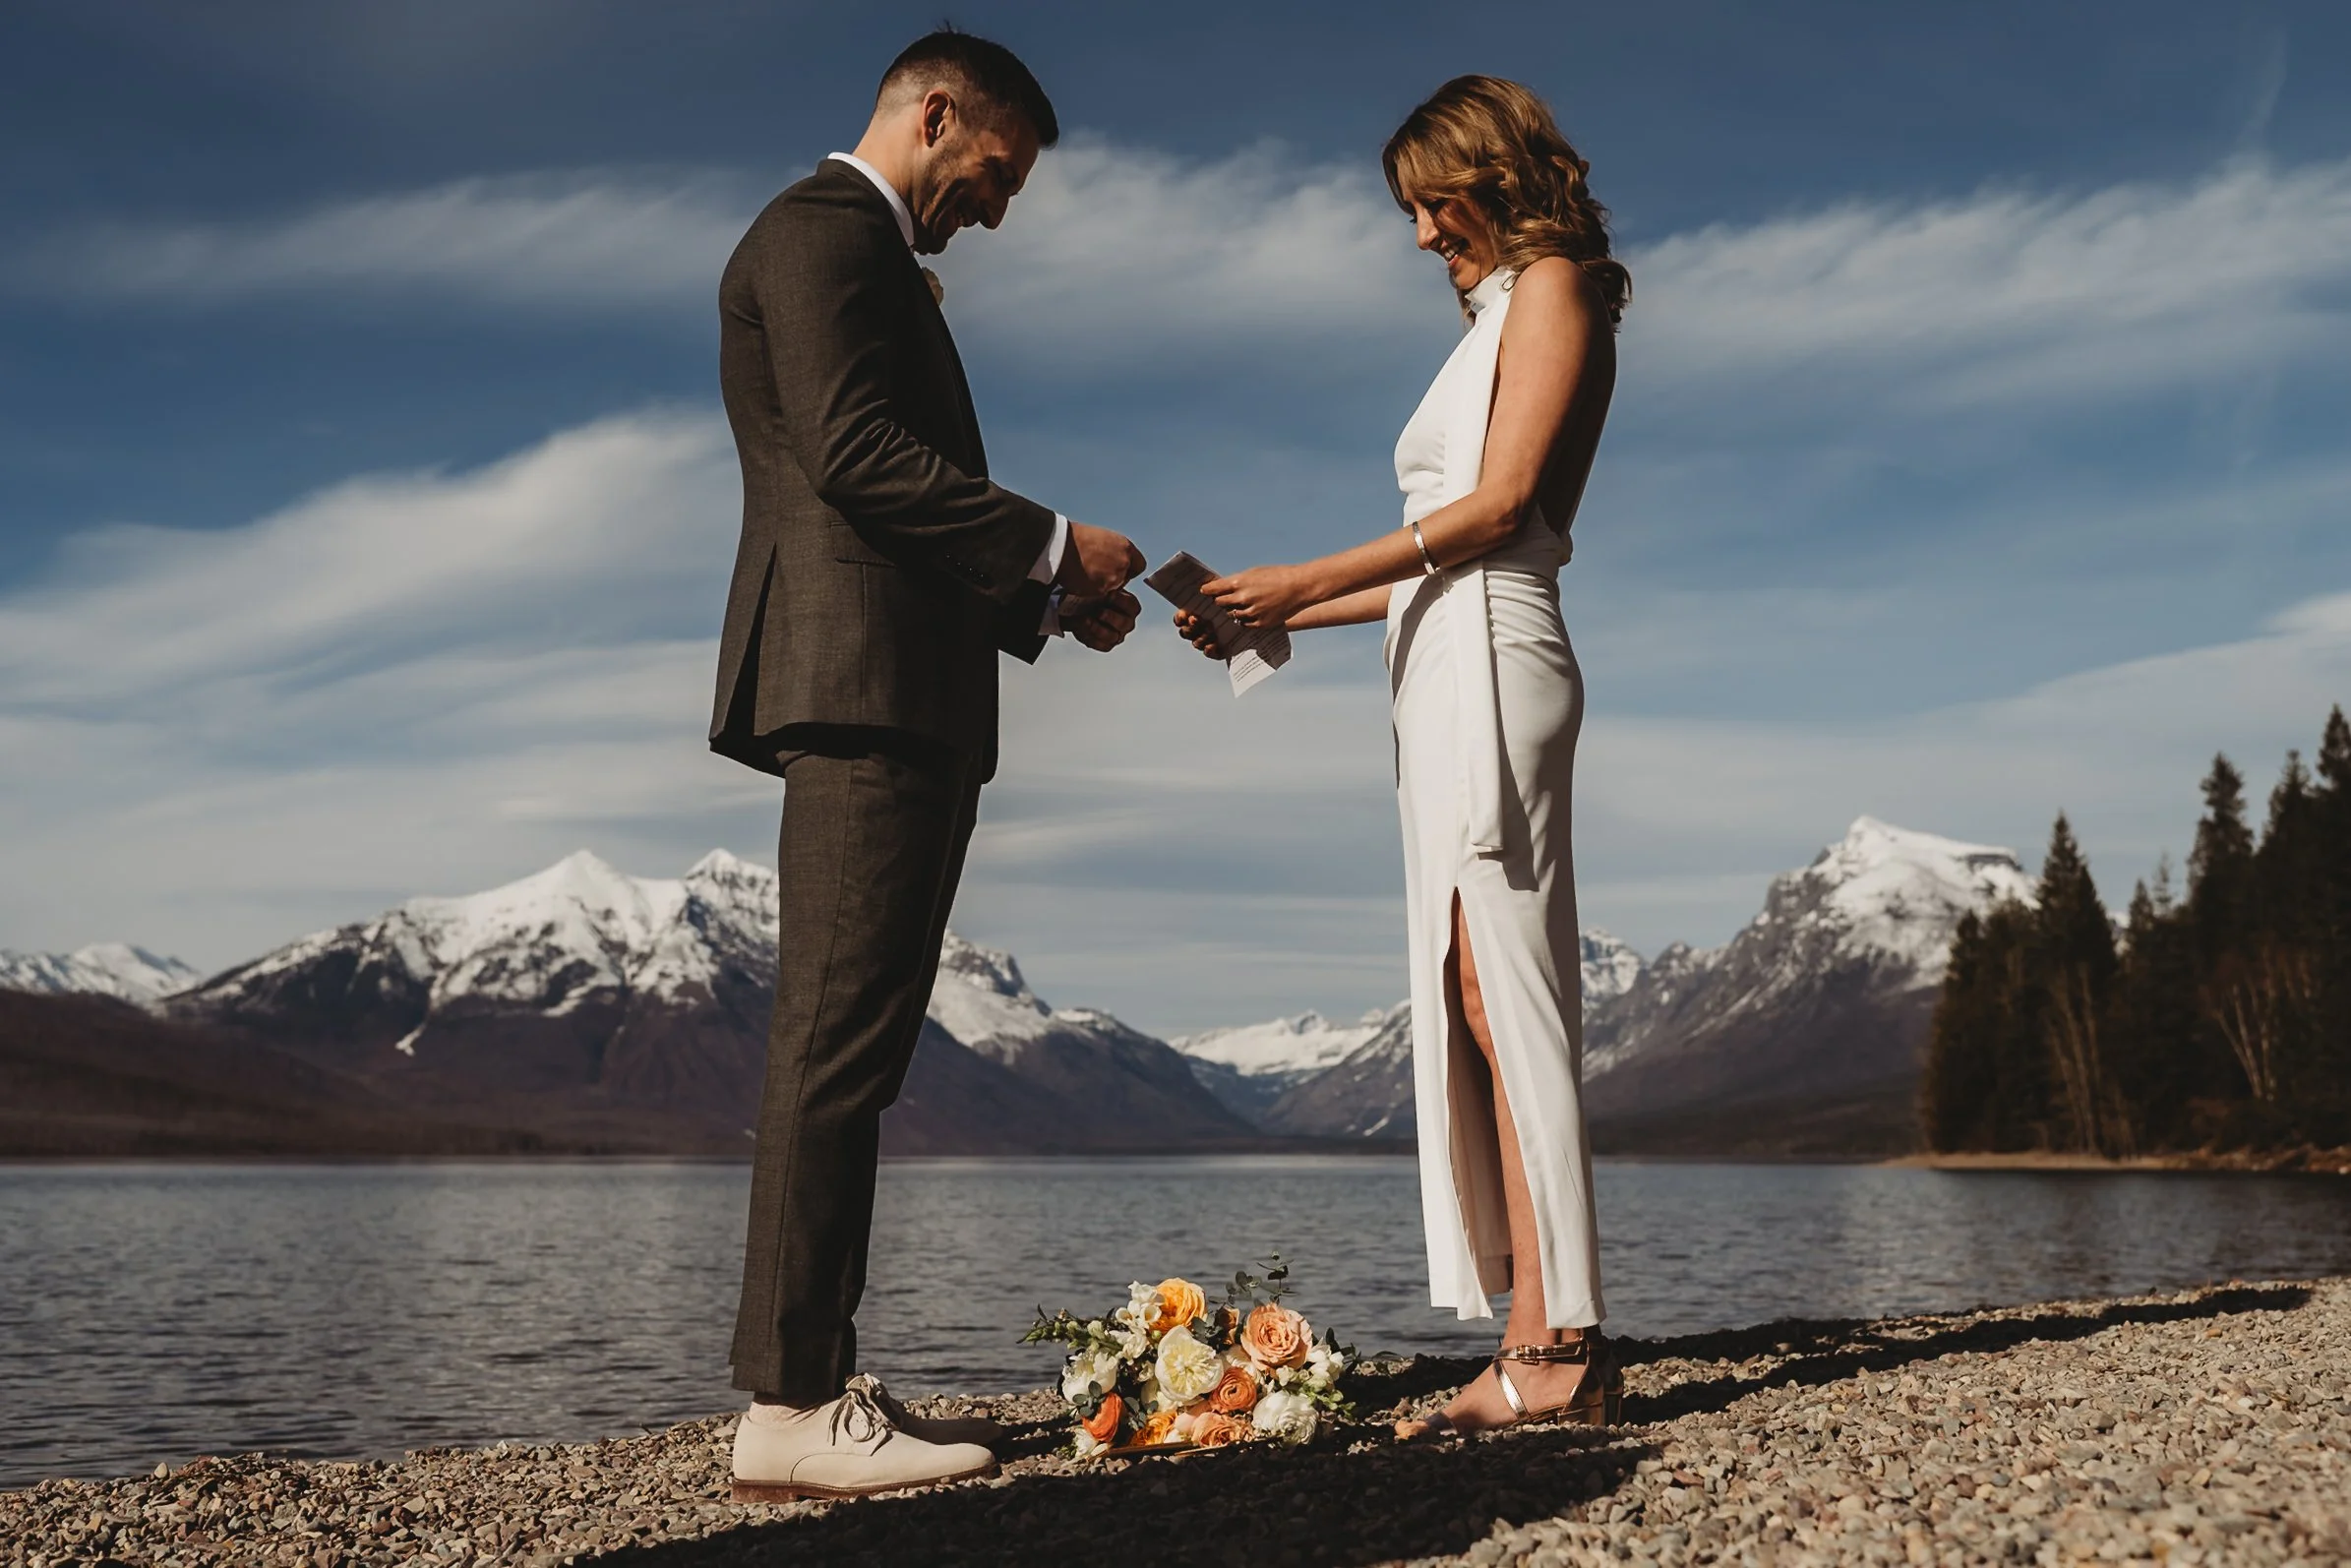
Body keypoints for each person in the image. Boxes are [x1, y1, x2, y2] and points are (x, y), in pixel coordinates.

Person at [707, 29, 1145, 1501]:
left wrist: (1044, 604)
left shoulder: (860, 250)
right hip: (864, 695)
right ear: (938, 114)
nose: (999, 210)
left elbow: (886, 500)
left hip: (903, 687)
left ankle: (813, 1372)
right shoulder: (822, 231)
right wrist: (1051, 541)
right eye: (999, 174)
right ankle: (790, 1402)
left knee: (859, 1046)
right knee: (832, 1046)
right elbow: (854, 454)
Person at [1176, 75, 1629, 1438]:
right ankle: (1534, 1328)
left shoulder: (1557, 287)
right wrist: (1275, 617)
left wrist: (1300, 573)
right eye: (1414, 214)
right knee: (1468, 989)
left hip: (1490, 652)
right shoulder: (1500, 316)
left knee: (1503, 989)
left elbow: (1499, 511)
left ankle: (1559, 1344)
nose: (1422, 236)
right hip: (1444, 656)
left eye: (1435, 206)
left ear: (1496, 179)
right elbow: (1445, 547)